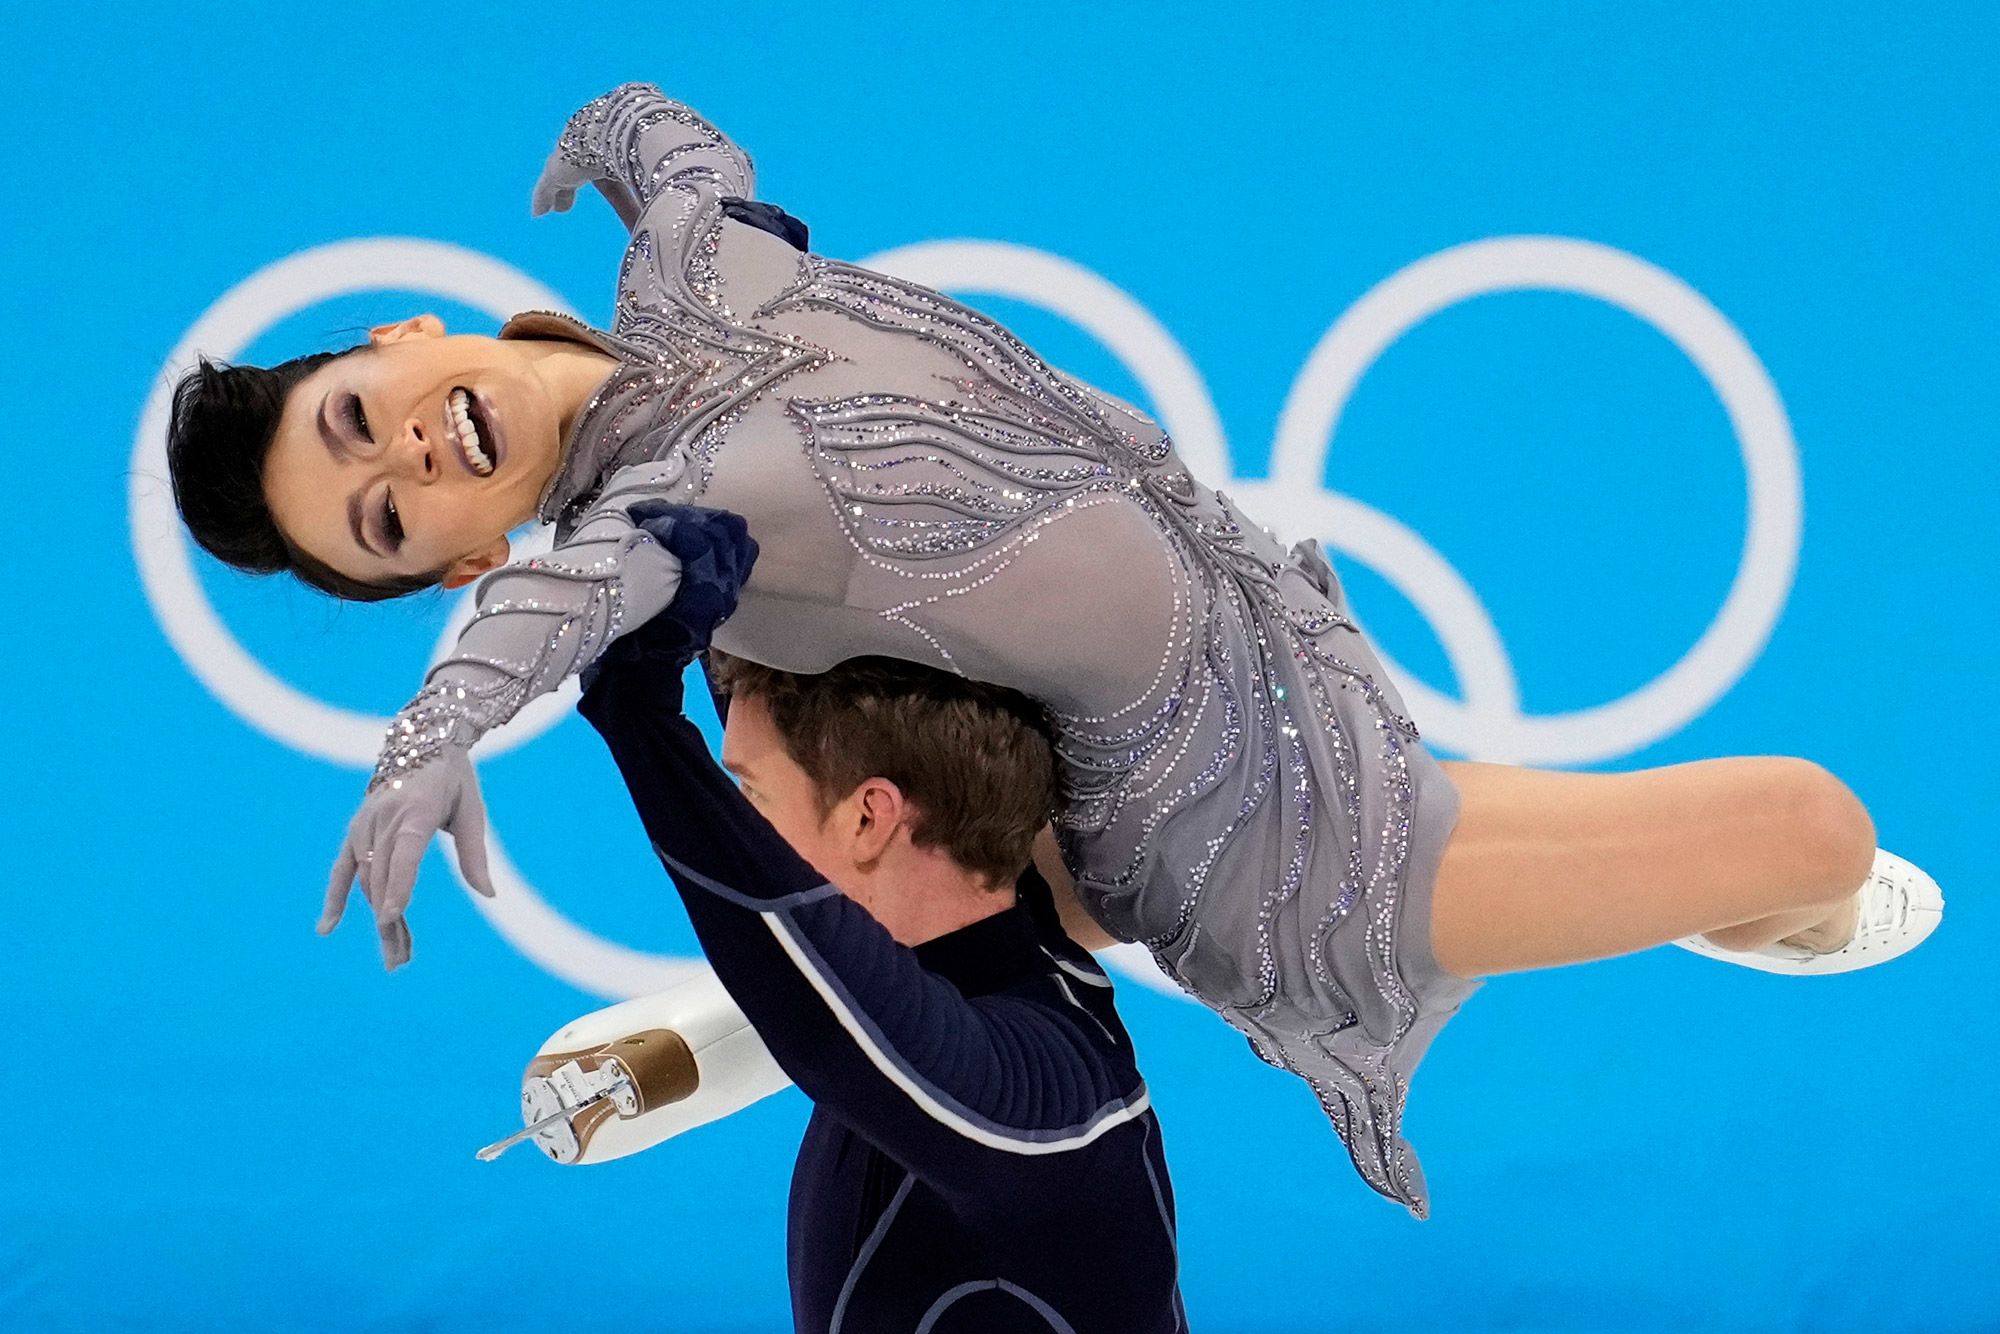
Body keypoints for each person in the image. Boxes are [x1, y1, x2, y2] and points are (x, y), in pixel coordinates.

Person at [166, 83, 1943, 1217]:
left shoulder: (690, 272)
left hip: (1254, 652)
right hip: (1253, 833)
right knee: (1817, 828)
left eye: (359, 421)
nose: (407, 462)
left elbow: (685, 159)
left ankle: (767, 1016)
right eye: (384, 523)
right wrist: (431, 734)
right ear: (464, 555)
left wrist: (609, 121)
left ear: (402, 335)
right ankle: (1721, 899)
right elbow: (553, 616)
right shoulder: (657, 516)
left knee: (1045, 872)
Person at [563, 504, 1186, 1333]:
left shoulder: (1053, 1101)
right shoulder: (1006, 949)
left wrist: (637, 717)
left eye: (750, 795)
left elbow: (815, 992)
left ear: (870, 818)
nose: (743, 824)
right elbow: (816, 761)